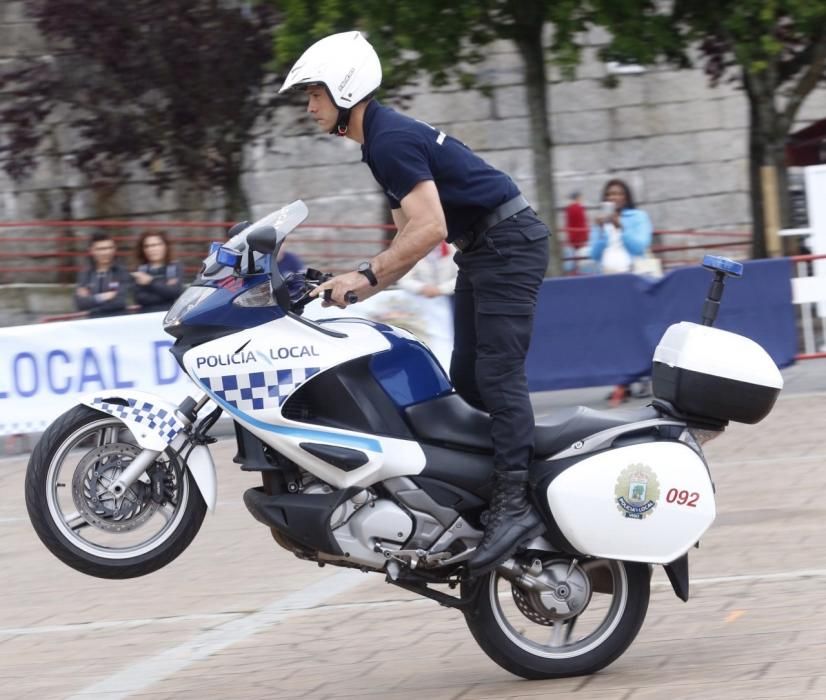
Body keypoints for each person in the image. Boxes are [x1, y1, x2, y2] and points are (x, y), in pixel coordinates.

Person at [280, 31, 550, 574]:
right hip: (488, 249)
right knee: (469, 379)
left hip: (508, 246)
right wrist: (342, 283)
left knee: (496, 377)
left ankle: (517, 505)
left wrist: (365, 275)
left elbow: (430, 227)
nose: (308, 107)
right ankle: (499, 489)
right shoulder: (381, 143)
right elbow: (405, 244)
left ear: (345, 88)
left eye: (314, 93)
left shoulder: (390, 141)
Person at [589, 179, 654, 405]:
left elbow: (639, 246)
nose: (614, 197)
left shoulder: (638, 218)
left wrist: (620, 227)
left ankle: (642, 376)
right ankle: (622, 382)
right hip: (608, 279)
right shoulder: (600, 221)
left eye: (618, 193)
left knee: (636, 329)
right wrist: (600, 229)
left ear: (626, 197)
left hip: (633, 278)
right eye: (610, 194)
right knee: (616, 332)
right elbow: (594, 254)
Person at [396, 241, 458, 370]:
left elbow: (460, 276)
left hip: (449, 297)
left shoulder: (452, 249)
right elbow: (404, 279)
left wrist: (440, 290)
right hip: (421, 298)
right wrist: (422, 288)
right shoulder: (414, 250)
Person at [75, 232, 131, 317]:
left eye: (109, 248)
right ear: (91, 251)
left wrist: (91, 302)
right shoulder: (86, 273)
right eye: (100, 249)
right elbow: (80, 303)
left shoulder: (121, 272)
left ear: (114, 249)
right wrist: (101, 297)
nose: (106, 252)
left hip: (117, 321)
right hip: (93, 324)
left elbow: (119, 302)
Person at [132, 230, 184, 313]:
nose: (151, 249)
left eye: (155, 245)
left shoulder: (174, 267)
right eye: (147, 246)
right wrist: (165, 290)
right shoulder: (141, 270)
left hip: (169, 316)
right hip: (145, 315)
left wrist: (150, 281)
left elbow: (176, 292)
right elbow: (140, 298)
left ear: (165, 246)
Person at [564, 190, 589, 272]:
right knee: (581, 258)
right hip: (580, 236)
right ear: (578, 197)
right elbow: (582, 222)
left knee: (573, 258)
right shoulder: (579, 208)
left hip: (572, 236)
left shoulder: (569, 208)